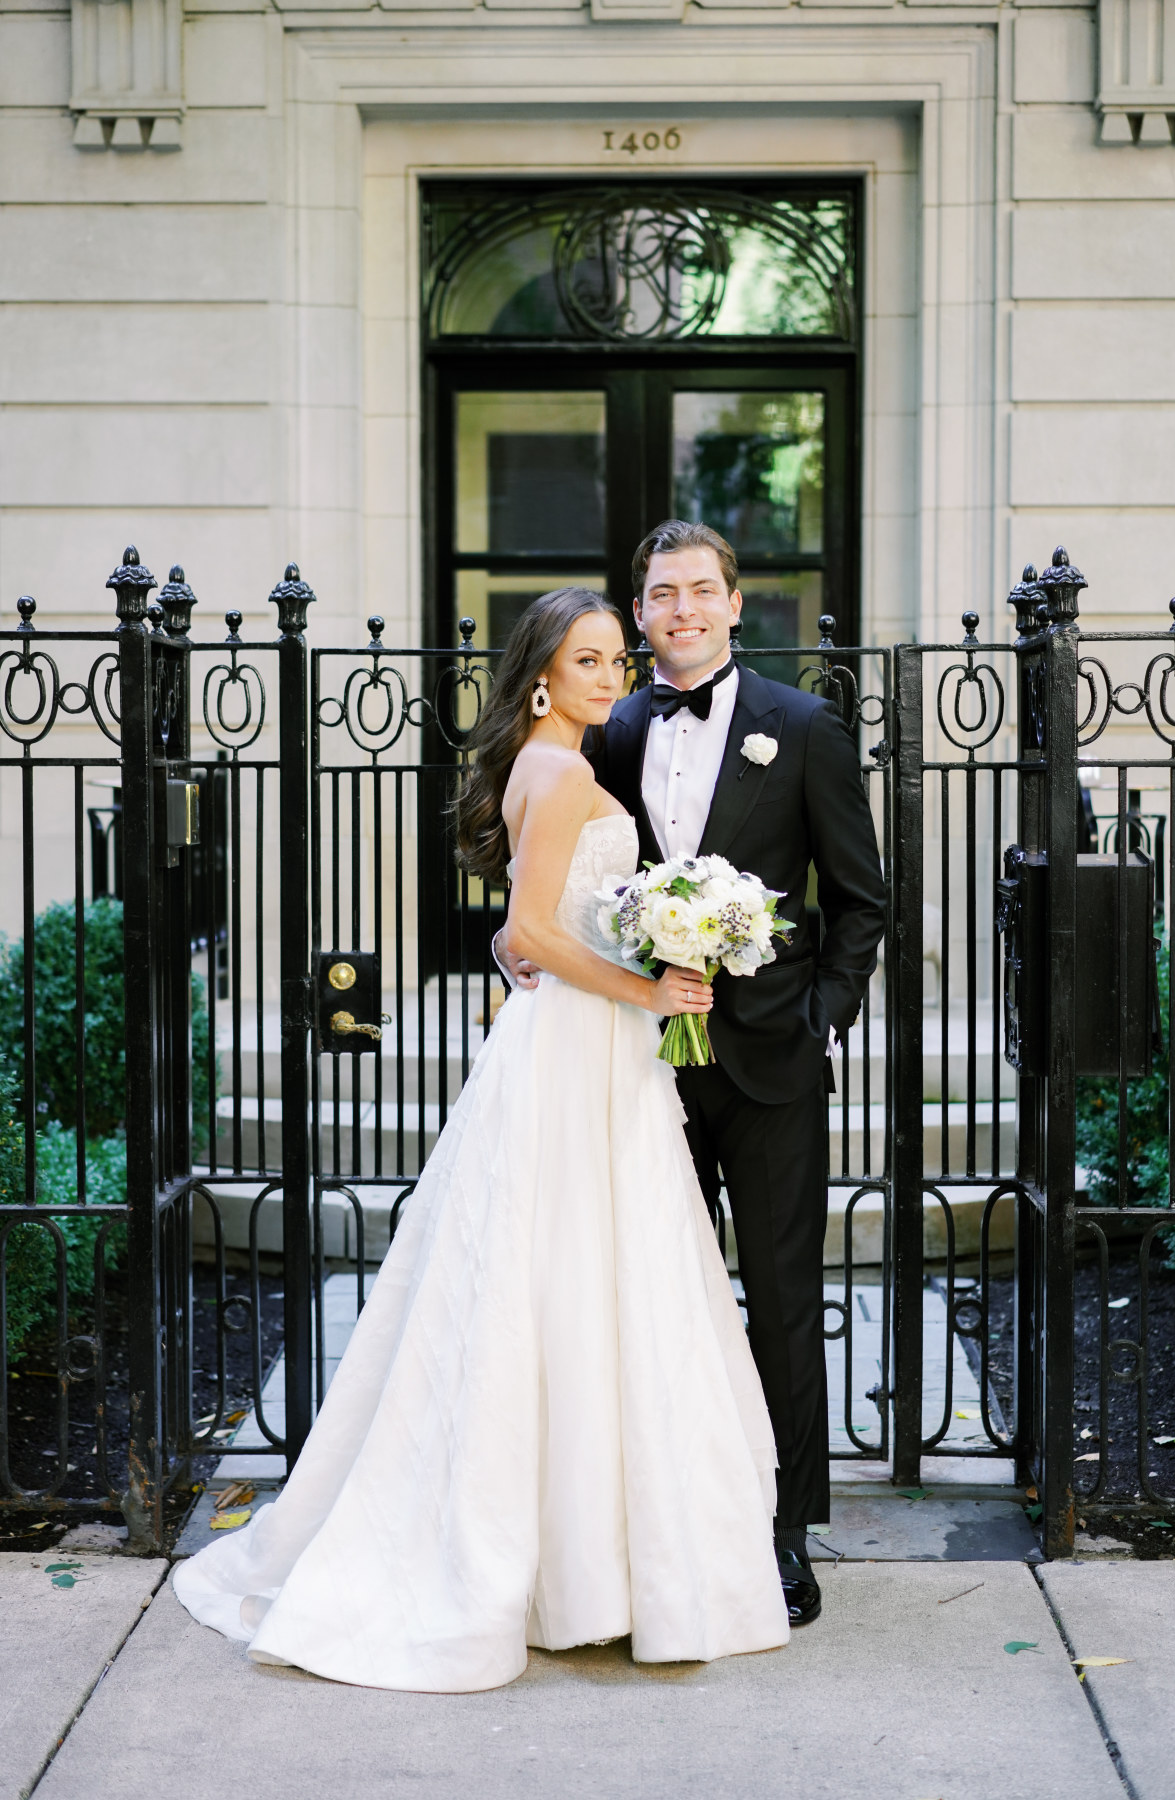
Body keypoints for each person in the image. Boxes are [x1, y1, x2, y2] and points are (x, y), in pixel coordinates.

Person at [172, 585, 790, 1692]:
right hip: (580, 1049)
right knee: (566, 1278)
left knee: (585, 1278)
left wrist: (639, 967)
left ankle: (588, 1562)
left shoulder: (553, 766)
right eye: (588, 662)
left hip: (585, 1046)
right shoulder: (556, 773)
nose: (610, 677)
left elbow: (525, 941)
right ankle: (576, 1567)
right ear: (541, 678)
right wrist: (652, 990)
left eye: (615, 660)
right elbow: (533, 933)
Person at [497, 523, 886, 1627]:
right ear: (640, 611)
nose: (681, 611)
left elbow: (863, 898)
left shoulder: (802, 726)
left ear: (733, 602)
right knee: (643, 1298)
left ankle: (784, 1533)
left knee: (781, 1301)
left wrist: (820, 1022)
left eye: (700, 591)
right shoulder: (603, 729)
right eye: (661, 595)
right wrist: (511, 939)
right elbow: (550, 870)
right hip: (633, 1065)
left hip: (768, 1059)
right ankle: (659, 1523)